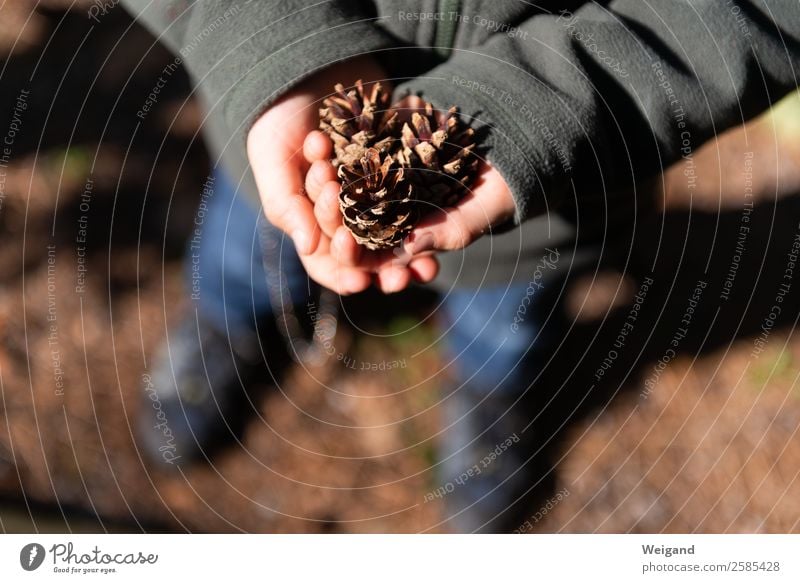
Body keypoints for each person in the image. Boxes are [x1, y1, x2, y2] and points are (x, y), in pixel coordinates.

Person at [122, 0, 800, 532]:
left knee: (507, 312)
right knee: (253, 242)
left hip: (554, 188)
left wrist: (548, 106)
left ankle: (486, 388)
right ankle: (228, 316)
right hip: (276, 119)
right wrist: (273, 47)